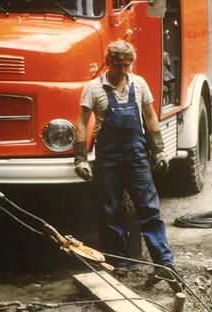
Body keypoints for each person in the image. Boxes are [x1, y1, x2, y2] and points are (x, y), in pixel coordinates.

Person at [74, 40, 181, 292]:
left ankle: (164, 265)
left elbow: (151, 116)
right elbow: (81, 122)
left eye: (126, 65)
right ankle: (117, 262)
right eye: (117, 65)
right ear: (107, 63)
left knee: (149, 209)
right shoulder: (93, 88)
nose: (123, 70)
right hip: (108, 159)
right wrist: (80, 158)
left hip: (137, 156)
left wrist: (160, 150)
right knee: (111, 209)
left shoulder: (139, 83)